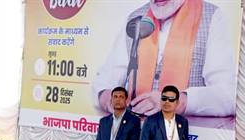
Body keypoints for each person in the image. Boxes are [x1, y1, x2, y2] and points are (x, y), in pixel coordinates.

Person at [93, 0, 235, 118]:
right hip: (135, 133)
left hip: (189, 137)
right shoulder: (135, 20)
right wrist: (107, 99)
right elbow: (104, 82)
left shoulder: (212, 17)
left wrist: (176, 102)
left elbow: (228, 96)